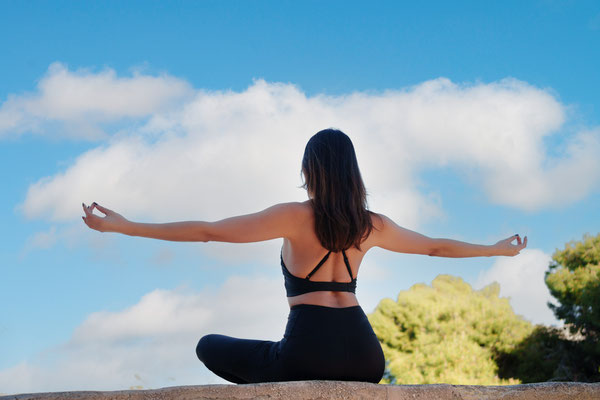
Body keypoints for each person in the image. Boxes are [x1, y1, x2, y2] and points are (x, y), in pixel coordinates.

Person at [82, 128, 527, 384]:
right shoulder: (372, 224)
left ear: (309, 170)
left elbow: (208, 233)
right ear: (352, 171)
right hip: (367, 356)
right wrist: (495, 249)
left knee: (208, 346)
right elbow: (435, 246)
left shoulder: (293, 217)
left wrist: (125, 226)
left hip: (309, 352)